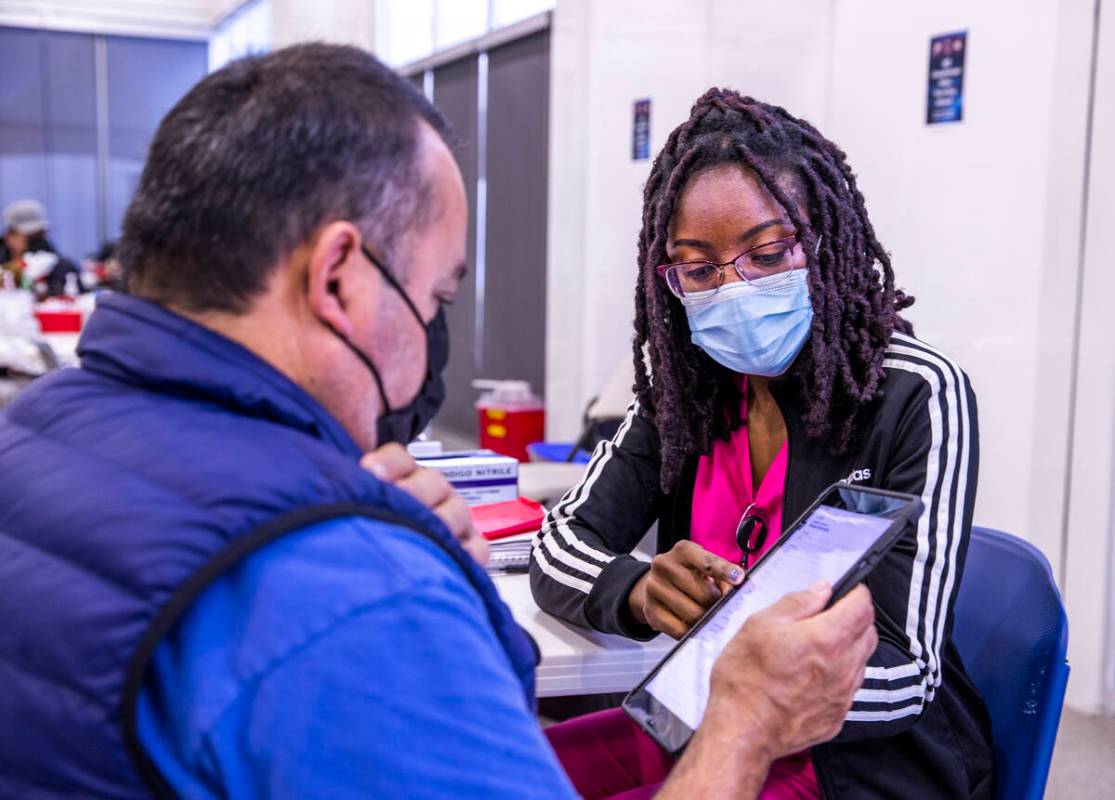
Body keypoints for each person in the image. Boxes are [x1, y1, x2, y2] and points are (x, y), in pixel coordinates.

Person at [0, 47, 878, 798]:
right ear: (340, 277)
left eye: (764, 257)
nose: (430, 346)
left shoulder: (27, 435)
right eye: (434, 296)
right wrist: (743, 725)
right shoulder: (347, 581)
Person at [531, 89, 994, 798]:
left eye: (767, 253)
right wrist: (640, 592)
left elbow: (907, 675)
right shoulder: (687, 386)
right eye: (697, 268)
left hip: (854, 766)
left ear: (822, 244)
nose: (733, 289)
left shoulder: (915, 394)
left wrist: (744, 681)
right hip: (693, 724)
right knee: (492, 777)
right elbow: (561, 544)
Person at [2, 199, 84, 298]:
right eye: (30, 236)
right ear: (10, 236)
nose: (36, 242)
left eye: (39, 235)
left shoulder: (61, 267)